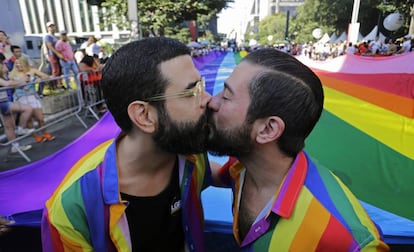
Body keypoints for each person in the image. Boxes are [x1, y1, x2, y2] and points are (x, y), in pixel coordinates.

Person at [207, 48, 390, 251]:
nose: (211, 101)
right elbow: (217, 174)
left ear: (268, 129)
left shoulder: (351, 240)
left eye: (226, 96)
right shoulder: (244, 167)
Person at [42, 37, 213, 251]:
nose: (208, 99)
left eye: (202, 85)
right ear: (144, 115)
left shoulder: (191, 157)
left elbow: (225, 172)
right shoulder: (71, 209)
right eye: (192, 92)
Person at [9, 56, 55, 143]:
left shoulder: (32, 70)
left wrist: (40, 79)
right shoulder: (12, 74)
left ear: (25, 63)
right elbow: (10, 86)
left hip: (32, 96)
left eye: (20, 64)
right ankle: (36, 136)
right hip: (21, 98)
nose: (18, 65)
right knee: (29, 119)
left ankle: (45, 132)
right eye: (17, 64)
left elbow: (46, 76)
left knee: (40, 117)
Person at [0, 53, 34, 153]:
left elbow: (10, 84)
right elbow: (8, 84)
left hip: (6, 101)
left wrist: (22, 82)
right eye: (3, 63)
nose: (5, 65)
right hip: (3, 103)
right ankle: (21, 129)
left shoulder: (4, 75)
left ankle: (15, 146)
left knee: (9, 126)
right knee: (27, 108)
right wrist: (22, 79)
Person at [43, 21, 63, 89]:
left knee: (59, 70)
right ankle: (54, 86)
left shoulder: (55, 36)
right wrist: (57, 53)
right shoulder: (47, 36)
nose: (52, 28)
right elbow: (49, 46)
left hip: (58, 56)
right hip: (52, 55)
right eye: (50, 26)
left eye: (53, 26)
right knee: (55, 71)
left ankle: (59, 84)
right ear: (47, 28)